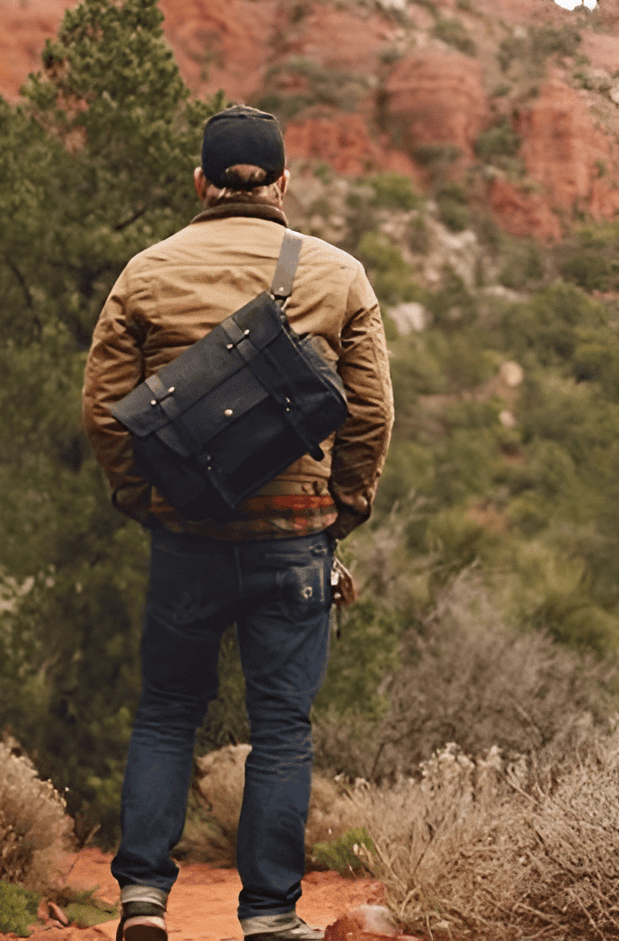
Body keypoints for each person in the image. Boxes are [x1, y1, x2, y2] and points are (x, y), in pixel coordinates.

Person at [81, 106, 393, 941]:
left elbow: (104, 413)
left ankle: (144, 898)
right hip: (294, 537)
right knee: (282, 730)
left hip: (185, 536)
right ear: (284, 185)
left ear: (200, 183)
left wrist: (144, 499)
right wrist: (343, 508)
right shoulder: (338, 275)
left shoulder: (145, 274)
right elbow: (371, 414)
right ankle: (268, 917)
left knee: (166, 713)